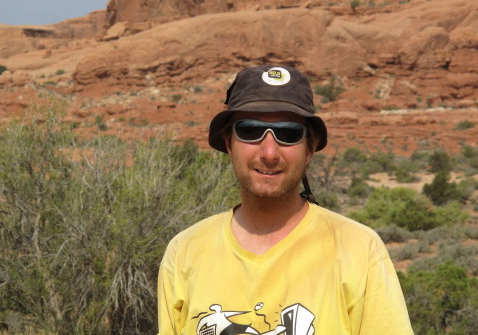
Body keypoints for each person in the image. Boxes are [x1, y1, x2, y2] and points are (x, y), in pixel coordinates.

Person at [157, 65, 414, 335]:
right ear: (229, 143)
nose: (269, 152)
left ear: (310, 149)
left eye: (288, 134)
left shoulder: (360, 251)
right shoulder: (185, 252)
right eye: (250, 130)